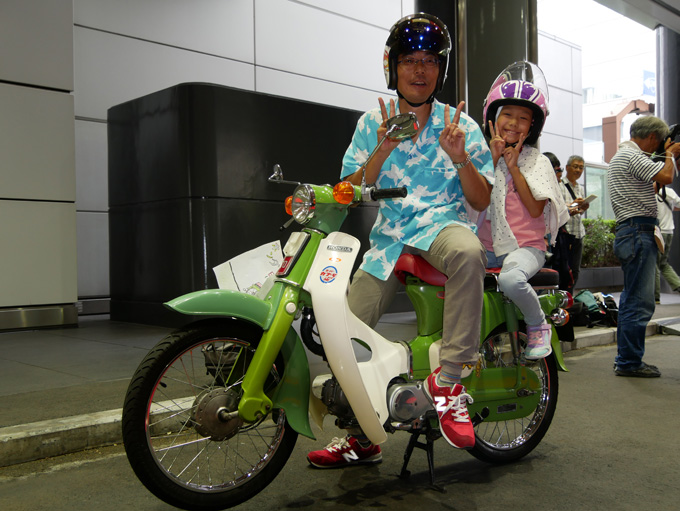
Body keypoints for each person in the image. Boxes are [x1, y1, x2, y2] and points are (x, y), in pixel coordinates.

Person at [306, 13, 494, 468]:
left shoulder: (459, 125)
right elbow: (349, 188)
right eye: (410, 60)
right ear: (394, 67)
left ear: (440, 70)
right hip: (389, 237)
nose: (420, 70)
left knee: (469, 252)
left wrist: (460, 158)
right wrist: (382, 149)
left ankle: (449, 382)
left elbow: (481, 198)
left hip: (439, 228)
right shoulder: (373, 122)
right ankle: (361, 436)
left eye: (429, 61)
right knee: (341, 323)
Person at [477, 61, 569, 360]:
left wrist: (514, 168)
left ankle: (538, 324)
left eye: (523, 118)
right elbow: (470, 201)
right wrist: (491, 160)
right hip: (486, 246)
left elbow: (533, 208)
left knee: (510, 280)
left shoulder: (537, 161)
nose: (514, 123)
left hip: (526, 246)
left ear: (532, 126)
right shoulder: (479, 156)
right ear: (493, 117)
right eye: (507, 115)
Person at [607, 115, 680, 377]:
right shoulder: (632, 155)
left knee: (632, 299)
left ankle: (626, 359)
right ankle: (629, 362)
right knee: (639, 302)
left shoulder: (623, 157)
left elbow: (656, 182)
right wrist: (669, 154)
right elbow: (666, 177)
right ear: (651, 137)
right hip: (639, 232)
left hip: (632, 232)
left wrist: (668, 156)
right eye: (659, 141)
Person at [558, 155, 589, 294]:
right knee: (564, 269)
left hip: (579, 232)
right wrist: (573, 206)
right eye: (575, 166)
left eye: (581, 167)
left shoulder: (580, 188)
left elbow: (578, 211)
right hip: (566, 233)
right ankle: (562, 298)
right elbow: (558, 208)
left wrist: (583, 209)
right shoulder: (559, 185)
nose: (578, 170)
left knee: (576, 269)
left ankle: (569, 297)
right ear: (567, 167)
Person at [654, 182, 680, 303]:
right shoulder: (669, 192)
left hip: (659, 232)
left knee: (655, 263)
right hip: (670, 230)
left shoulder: (652, 192)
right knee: (663, 263)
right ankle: (678, 285)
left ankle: (655, 297)